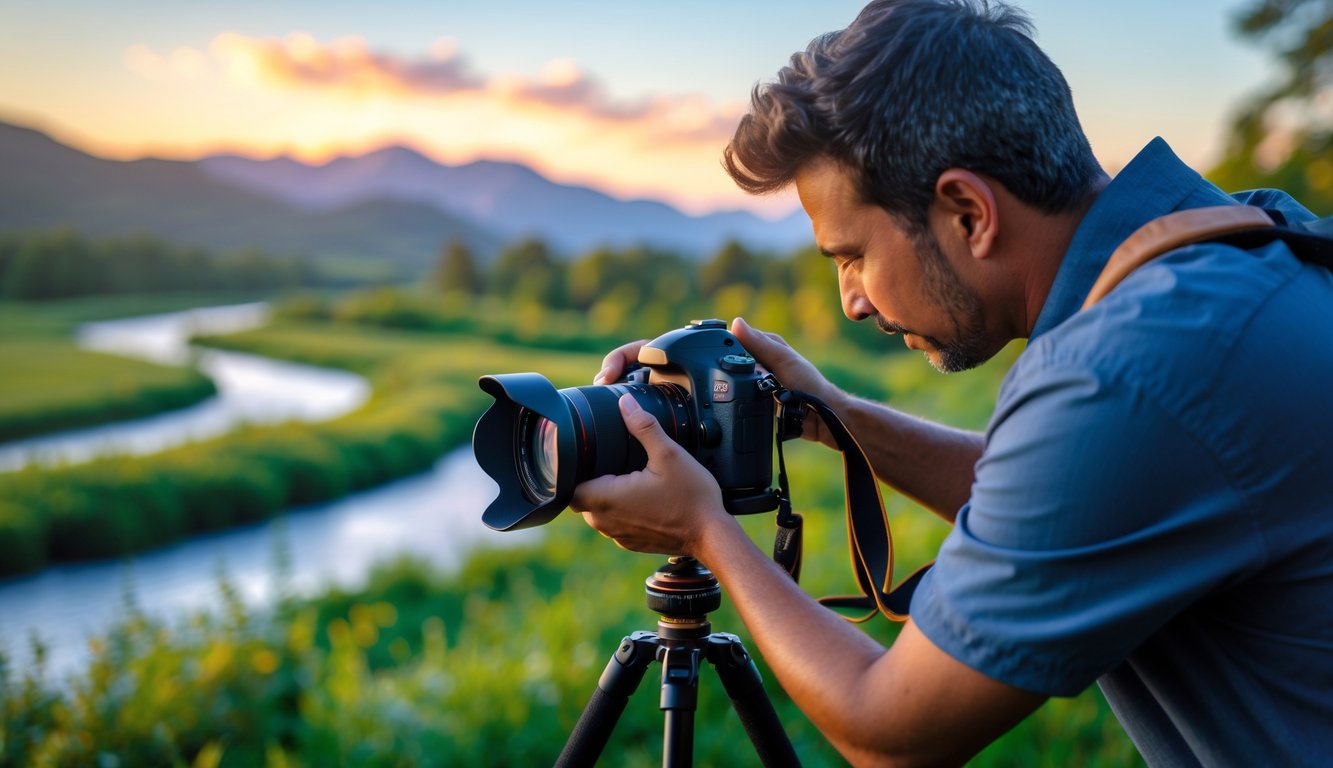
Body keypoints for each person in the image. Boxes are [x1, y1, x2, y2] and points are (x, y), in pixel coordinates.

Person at [571, 0, 1333, 764]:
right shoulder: (1238, 241)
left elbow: (889, 731)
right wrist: (827, 415)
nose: (852, 299)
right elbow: (1074, 497)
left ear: (967, 212)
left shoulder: (1124, 373)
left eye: (850, 256)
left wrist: (704, 531)